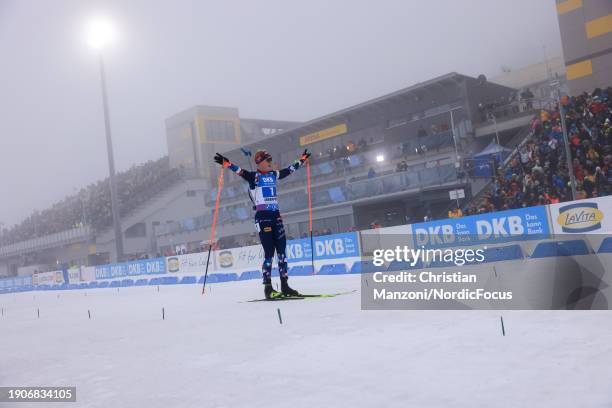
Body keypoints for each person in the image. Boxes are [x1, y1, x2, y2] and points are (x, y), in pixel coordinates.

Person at [214, 148, 311, 299]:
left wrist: (302, 160)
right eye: (268, 160)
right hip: (263, 217)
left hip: (276, 216)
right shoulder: (254, 177)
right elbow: (240, 171)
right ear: (260, 163)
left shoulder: (273, 174)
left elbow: (288, 170)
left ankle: (285, 286)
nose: (271, 162)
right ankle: (268, 288)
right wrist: (227, 164)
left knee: (282, 254)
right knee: (269, 254)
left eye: (271, 159)